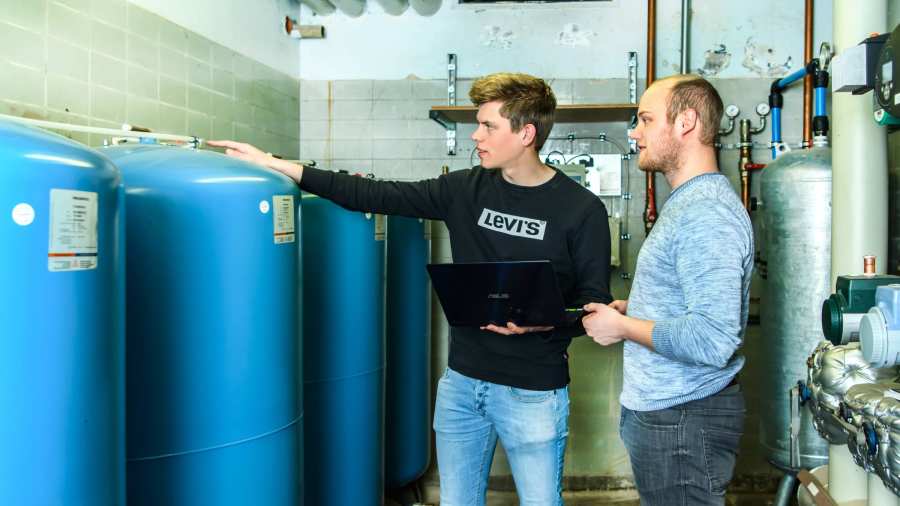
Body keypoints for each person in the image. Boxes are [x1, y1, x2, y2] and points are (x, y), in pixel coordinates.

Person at [209, 72, 612, 505]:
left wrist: (540, 326)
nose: (475, 135)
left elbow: (595, 308)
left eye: (488, 126)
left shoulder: (580, 209)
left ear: (526, 133)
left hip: (532, 391)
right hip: (463, 384)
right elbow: (374, 194)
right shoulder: (464, 189)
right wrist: (276, 164)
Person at [580, 74, 752, 506]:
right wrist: (634, 308)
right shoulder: (690, 203)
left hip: (683, 418)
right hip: (672, 413)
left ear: (686, 122)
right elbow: (686, 303)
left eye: (645, 119)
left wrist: (621, 327)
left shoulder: (706, 212)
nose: (635, 133)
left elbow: (712, 338)